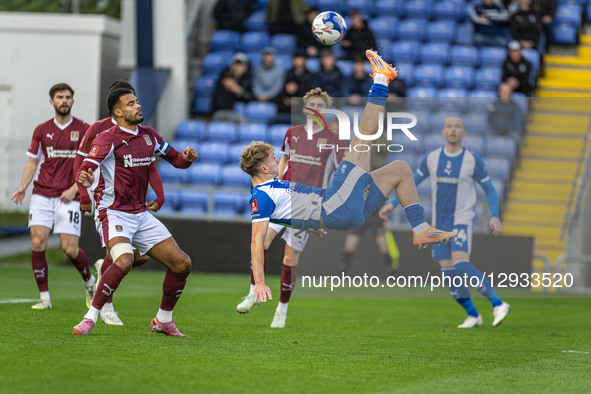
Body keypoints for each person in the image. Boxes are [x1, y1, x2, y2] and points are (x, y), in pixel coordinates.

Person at [241, 50, 456, 304]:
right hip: (336, 206)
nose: (277, 159)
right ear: (262, 169)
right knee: (361, 139)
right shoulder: (262, 195)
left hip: (342, 212)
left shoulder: (273, 187)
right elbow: (257, 241)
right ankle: (380, 79)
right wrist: (261, 283)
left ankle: (421, 229)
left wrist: (313, 223)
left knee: (400, 169)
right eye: (271, 159)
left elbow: (292, 210)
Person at [72, 88, 196, 336]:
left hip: (140, 214)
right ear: (118, 112)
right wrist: (85, 180)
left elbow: (176, 161)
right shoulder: (107, 138)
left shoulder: (149, 135)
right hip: (113, 212)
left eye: (137, 101)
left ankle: (163, 320)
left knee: (182, 264)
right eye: (131, 104)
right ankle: (90, 317)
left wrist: (187, 158)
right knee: (125, 260)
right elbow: (86, 168)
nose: (138, 106)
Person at [379, 116, 511, 328]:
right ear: (443, 131)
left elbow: (489, 189)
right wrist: (393, 204)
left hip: (462, 219)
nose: (453, 130)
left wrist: (494, 215)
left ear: (464, 133)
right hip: (438, 224)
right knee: (449, 275)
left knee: (461, 264)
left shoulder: (472, 160)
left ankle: (497, 304)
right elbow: (412, 181)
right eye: (449, 126)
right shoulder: (431, 158)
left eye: (457, 126)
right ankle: (473, 315)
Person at [236, 88, 343, 328]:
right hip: (281, 197)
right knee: (261, 241)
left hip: (307, 205)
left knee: (289, 256)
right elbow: (282, 163)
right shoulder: (292, 133)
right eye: (312, 104)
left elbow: (339, 172)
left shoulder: (334, 140)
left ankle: (281, 310)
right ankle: (254, 291)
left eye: (321, 105)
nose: (316, 108)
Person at [11, 83, 95, 310]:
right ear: (52, 102)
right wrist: (22, 187)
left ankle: (89, 281)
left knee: (69, 249)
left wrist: (75, 189)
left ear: (73, 102)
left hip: (70, 197)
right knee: (38, 242)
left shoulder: (84, 130)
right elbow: (32, 161)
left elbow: (90, 165)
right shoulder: (41, 130)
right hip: (42, 193)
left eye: (68, 97)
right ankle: (44, 298)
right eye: (60, 97)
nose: (64, 101)